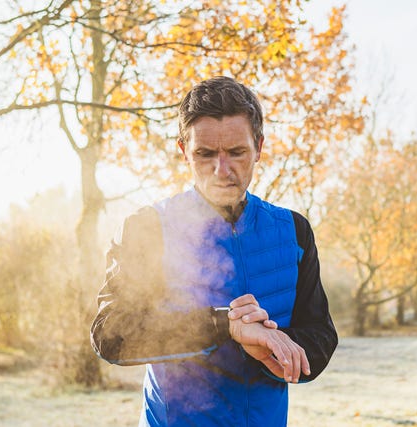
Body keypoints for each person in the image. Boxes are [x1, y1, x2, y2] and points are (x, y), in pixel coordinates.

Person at [90, 76, 338, 427]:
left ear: (259, 147)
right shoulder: (146, 228)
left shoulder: (294, 230)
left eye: (237, 152)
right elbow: (110, 335)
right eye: (205, 154)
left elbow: (320, 336)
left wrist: (274, 346)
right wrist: (223, 326)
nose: (222, 171)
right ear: (183, 152)